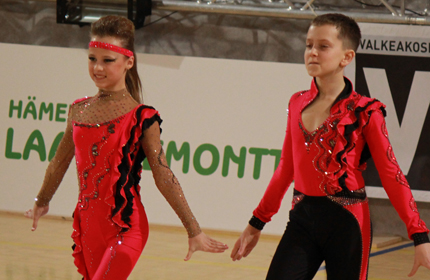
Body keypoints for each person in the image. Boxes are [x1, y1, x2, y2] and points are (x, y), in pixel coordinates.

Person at [24, 15, 228, 280]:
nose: (98, 67)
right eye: (92, 58)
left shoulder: (142, 117)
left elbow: (164, 176)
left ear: (128, 62)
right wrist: (42, 201)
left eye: (108, 60)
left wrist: (193, 229)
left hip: (125, 228)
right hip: (87, 228)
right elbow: (59, 163)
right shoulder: (78, 110)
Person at [230, 13, 430, 280]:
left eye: (323, 46)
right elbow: (286, 168)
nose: (312, 52)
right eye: (309, 45)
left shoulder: (366, 111)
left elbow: (392, 175)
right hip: (301, 220)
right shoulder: (297, 102)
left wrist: (419, 235)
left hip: (348, 224)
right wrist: (257, 222)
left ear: (346, 57)